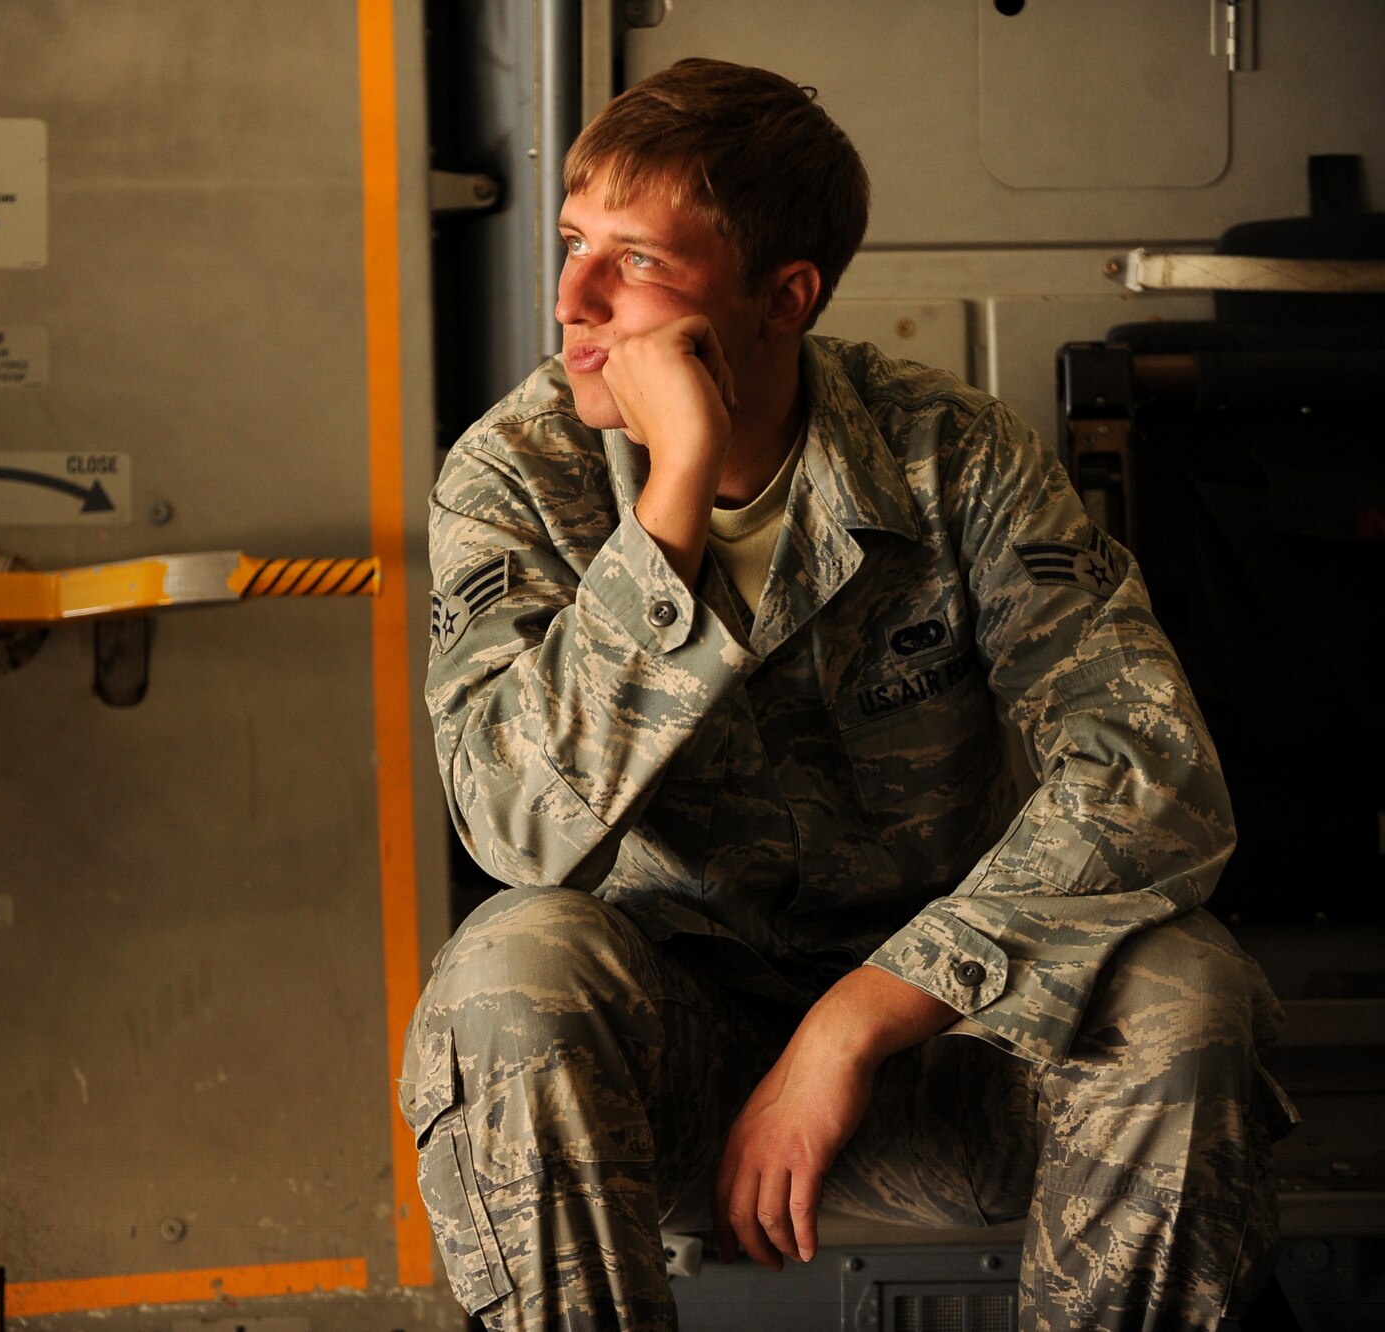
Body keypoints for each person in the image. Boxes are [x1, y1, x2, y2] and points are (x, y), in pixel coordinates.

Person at [400, 58, 1295, 1332]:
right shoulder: (520, 473)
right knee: (506, 972)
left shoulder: (952, 454)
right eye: (571, 243)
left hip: (946, 1049)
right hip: (670, 1074)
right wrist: (672, 499)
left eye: (634, 261)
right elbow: (511, 830)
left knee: (1186, 993)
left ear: (785, 297)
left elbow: (1154, 780)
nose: (572, 299)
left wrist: (854, 1022)